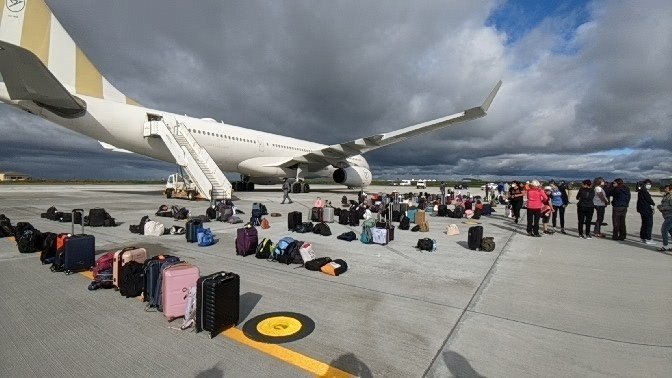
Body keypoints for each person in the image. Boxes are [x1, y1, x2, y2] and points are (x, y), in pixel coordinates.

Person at [636, 179, 656, 244]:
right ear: (645, 184)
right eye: (648, 184)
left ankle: (643, 238)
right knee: (649, 224)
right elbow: (649, 199)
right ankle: (648, 239)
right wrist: (653, 204)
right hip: (646, 210)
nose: (649, 185)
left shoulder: (641, 190)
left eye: (650, 184)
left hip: (642, 210)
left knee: (644, 224)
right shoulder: (644, 191)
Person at [656, 184, 672, 251]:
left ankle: (665, 246)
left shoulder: (671, 196)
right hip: (667, 216)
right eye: (665, 188)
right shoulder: (667, 196)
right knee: (671, 231)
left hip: (670, 216)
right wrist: (660, 206)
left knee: (664, 229)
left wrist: (662, 208)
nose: (665, 189)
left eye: (667, 188)